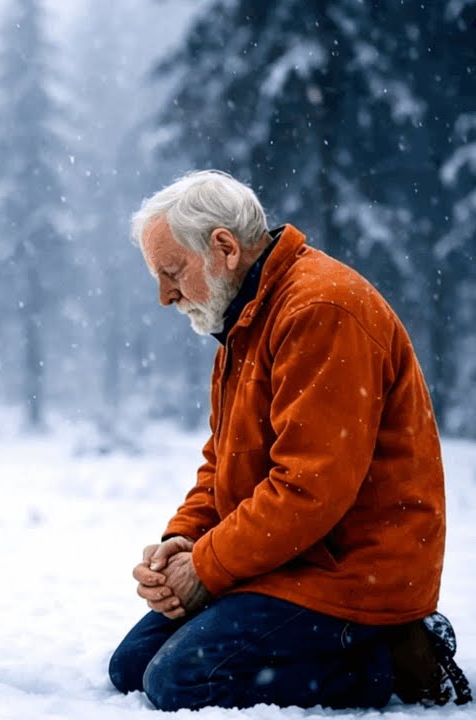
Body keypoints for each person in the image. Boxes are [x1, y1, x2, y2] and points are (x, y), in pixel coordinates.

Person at [109, 170, 471, 711]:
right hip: (289, 561)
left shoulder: (320, 311)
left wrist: (206, 567)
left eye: (172, 272)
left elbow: (308, 489)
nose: (165, 296)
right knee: (132, 667)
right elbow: (223, 463)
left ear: (224, 248)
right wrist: (181, 543)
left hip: (351, 575)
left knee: (180, 682)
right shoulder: (245, 321)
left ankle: (401, 657)